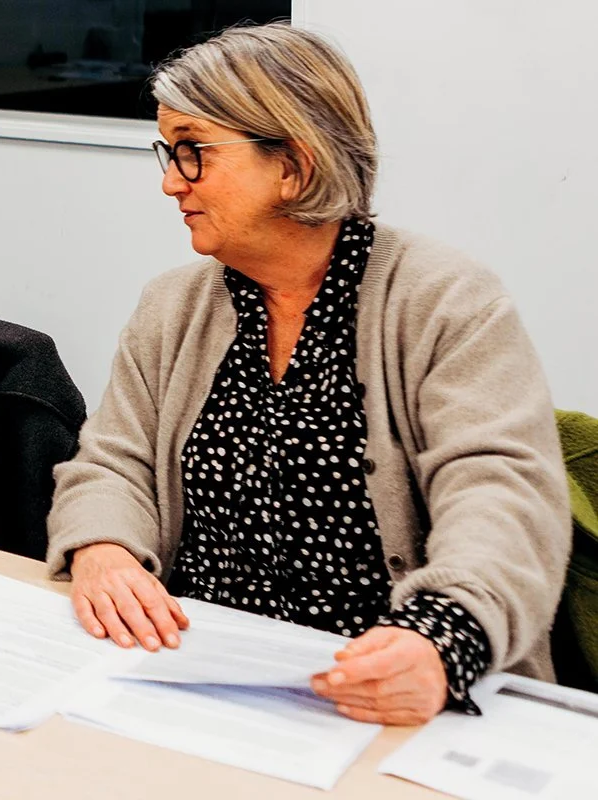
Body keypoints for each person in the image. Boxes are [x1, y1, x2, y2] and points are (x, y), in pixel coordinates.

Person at [47, 23, 569, 725]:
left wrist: (441, 639)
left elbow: (503, 499)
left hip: (382, 692)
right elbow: (111, 463)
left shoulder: (447, 302)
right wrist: (103, 548)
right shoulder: (173, 306)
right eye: (166, 153)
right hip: (197, 677)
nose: (171, 182)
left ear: (293, 164)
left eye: (193, 152)